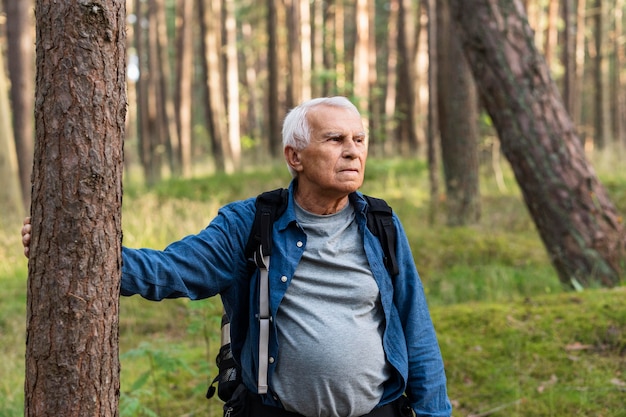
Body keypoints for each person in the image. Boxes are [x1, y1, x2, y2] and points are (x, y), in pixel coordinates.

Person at [22, 96, 452, 417]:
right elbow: (172, 270)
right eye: (335, 139)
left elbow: (416, 327)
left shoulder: (381, 223)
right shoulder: (250, 223)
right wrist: (60, 252)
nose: (353, 151)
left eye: (359, 139)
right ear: (295, 156)